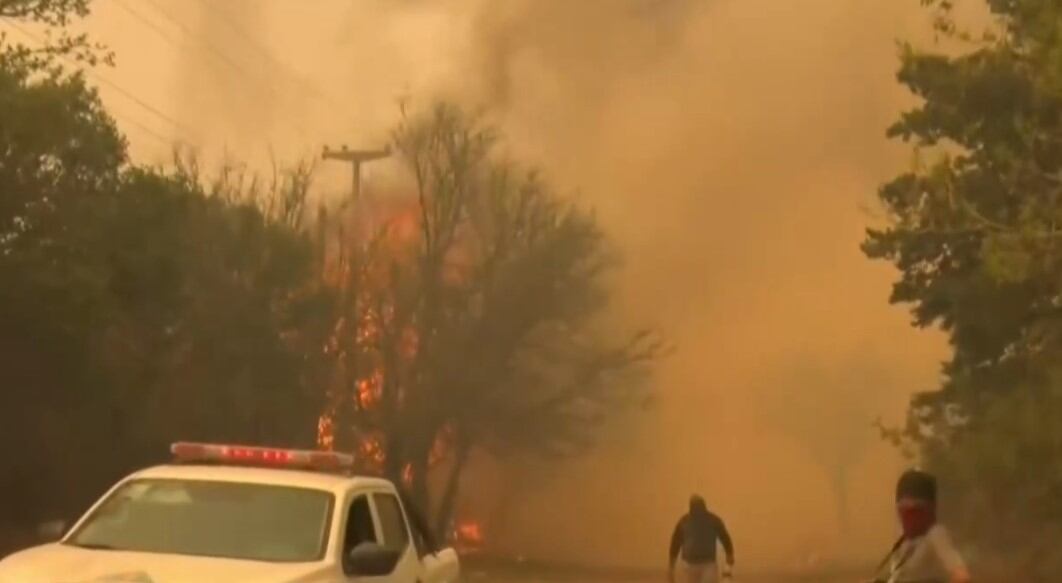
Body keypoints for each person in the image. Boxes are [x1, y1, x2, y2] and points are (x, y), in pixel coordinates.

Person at [871, 469, 971, 583]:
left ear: (928, 511)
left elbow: (961, 576)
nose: (909, 518)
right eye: (904, 511)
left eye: (915, 511)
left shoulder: (935, 535)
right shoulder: (903, 541)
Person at [668, 495, 734, 583]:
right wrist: (730, 555)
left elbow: (725, 538)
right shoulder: (685, 521)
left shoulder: (711, 520)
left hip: (706, 564)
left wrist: (729, 555)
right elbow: (675, 543)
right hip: (691, 564)